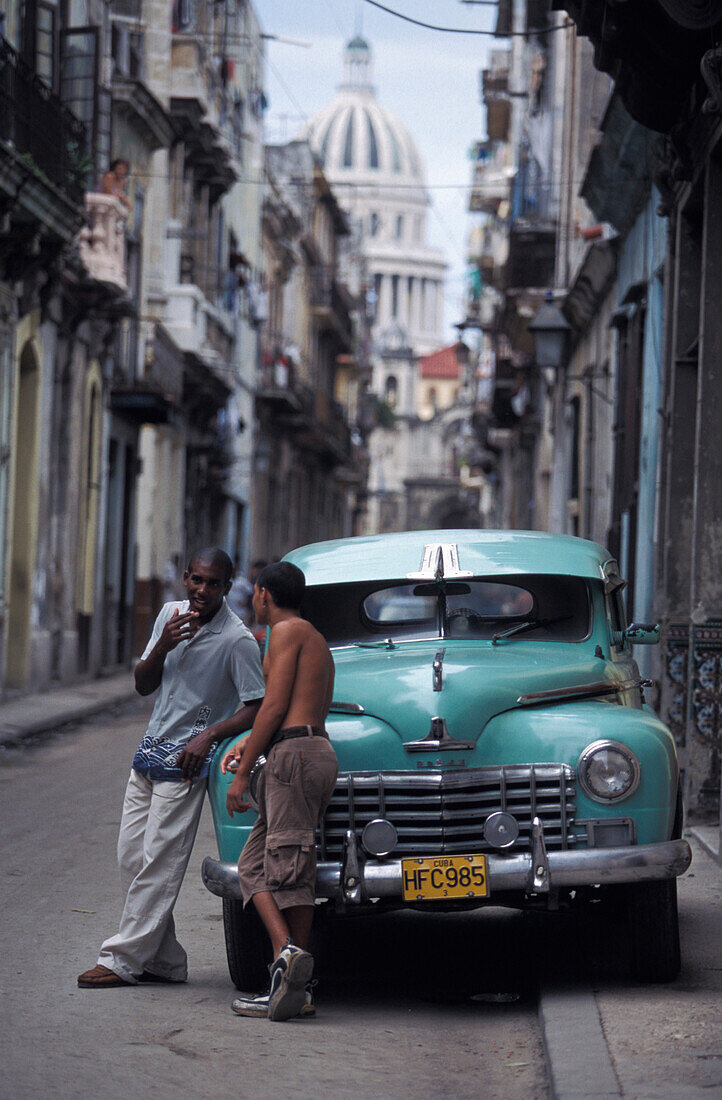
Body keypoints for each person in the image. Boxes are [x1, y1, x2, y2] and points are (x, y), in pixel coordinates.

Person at [77, 548, 265, 988]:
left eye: (213, 583)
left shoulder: (236, 639)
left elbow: (256, 706)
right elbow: (143, 685)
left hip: (186, 762)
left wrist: (209, 735)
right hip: (148, 753)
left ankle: (122, 960)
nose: (202, 590)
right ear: (185, 578)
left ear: (227, 585)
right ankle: (165, 961)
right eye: (196, 581)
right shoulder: (169, 615)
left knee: (160, 862)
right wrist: (163, 642)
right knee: (130, 856)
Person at [222, 561, 338, 1022]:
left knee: (290, 869)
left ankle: (292, 977)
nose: (253, 600)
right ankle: (287, 962)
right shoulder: (301, 634)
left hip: (297, 756)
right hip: (297, 750)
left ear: (264, 593)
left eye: (254, 593)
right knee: (252, 867)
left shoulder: (288, 631)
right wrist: (249, 745)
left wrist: (242, 772)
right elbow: (283, 708)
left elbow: (272, 705)